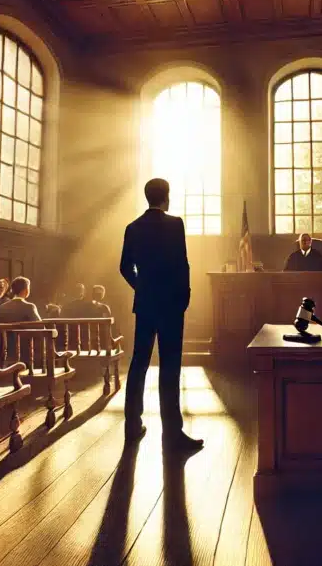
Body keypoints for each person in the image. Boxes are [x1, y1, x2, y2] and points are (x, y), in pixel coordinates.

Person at [120, 178, 202, 452]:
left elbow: (124, 267)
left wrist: (141, 286)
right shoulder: (175, 224)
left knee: (139, 363)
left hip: (145, 303)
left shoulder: (132, 227)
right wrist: (184, 295)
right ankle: (172, 433)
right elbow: (183, 263)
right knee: (169, 367)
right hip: (171, 304)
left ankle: (132, 426)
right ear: (166, 197)